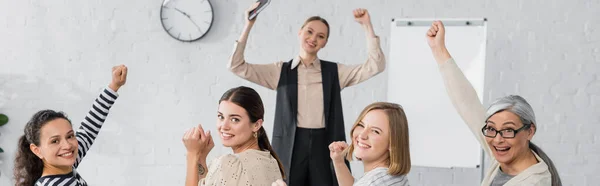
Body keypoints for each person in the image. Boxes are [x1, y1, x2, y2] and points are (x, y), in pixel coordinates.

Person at [228, 3, 386, 185]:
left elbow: (376, 66)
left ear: (325, 42)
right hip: (290, 144)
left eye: (321, 36)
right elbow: (236, 65)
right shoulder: (280, 71)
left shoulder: (334, 72)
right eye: (309, 32)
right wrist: (249, 24)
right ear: (300, 32)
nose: (313, 39)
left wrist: (367, 25)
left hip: (324, 144)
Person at [427, 20, 561, 186]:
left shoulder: (533, 183)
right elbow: (467, 103)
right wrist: (438, 49)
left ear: (530, 131)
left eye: (508, 130)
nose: (497, 139)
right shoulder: (506, 156)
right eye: (491, 128)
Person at [13, 65, 128, 186]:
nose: (67, 145)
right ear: (37, 150)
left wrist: (114, 85)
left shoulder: (65, 165)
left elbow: (89, 128)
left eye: (70, 136)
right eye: (55, 141)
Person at [273, 102, 410, 186]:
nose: (362, 135)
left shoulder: (375, 182)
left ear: (393, 143)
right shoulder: (391, 177)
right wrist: (338, 162)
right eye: (361, 125)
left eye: (375, 131)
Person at [183, 86, 284, 186]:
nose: (224, 126)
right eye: (221, 117)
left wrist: (192, 154)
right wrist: (200, 157)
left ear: (256, 125)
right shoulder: (271, 161)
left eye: (234, 119)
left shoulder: (230, 163)